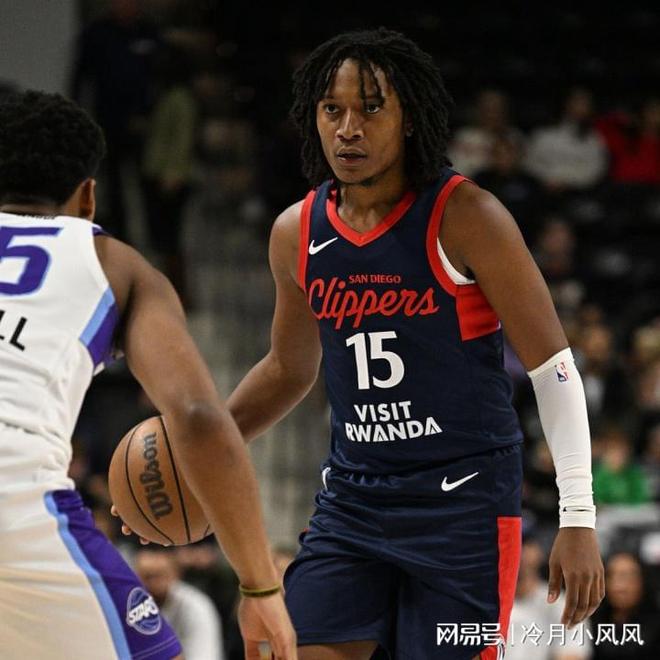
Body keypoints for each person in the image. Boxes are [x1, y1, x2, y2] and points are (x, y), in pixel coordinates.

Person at [226, 29, 604, 659]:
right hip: (354, 499)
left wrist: (579, 515)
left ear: (409, 119)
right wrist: (204, 442)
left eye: (371, 109)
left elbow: (554, 367)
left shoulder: (467, 216)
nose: (348, 128)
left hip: (464, 506)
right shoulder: (296, 230)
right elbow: (289, 368)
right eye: (332, 109)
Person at [0, 91, 296, 660]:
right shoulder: (114, 264)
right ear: (88, 197)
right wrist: (260, 584)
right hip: (15, 492)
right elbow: (197, 416)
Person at [134, 547, 225, 660]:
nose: (153, 583)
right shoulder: (131, 606)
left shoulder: (196, 606)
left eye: (159, 576)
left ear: (175, 574)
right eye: (147, 577)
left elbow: (204, 656)